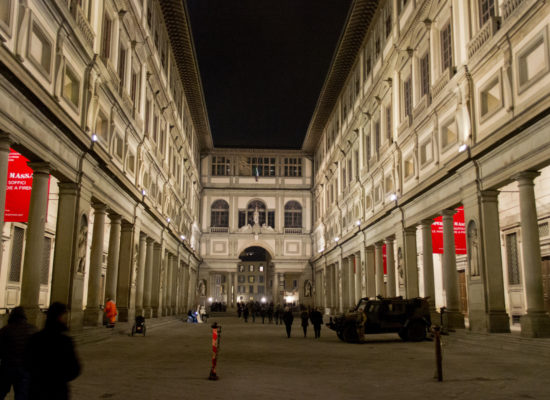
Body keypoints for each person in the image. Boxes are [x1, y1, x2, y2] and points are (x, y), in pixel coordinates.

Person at [26, 302, 81, 400]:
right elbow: (74, 369)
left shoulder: (35, 338)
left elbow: (26, 363)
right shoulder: (64, 341)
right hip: (57, 391)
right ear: (60, 317)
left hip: (36, 389)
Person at [0, 307, 37, 399]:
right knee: (22, 394)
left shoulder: (5, 330)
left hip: (7, 366)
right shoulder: (32, 329)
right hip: (25, 368)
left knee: (1, 391)